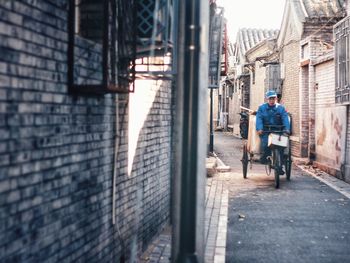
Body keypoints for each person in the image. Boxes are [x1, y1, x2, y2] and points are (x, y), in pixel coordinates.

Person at [256, 90, 290, 164]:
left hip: (278, 130)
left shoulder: (281, 108)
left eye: (273, 98)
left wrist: (286, 129)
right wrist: (259, 128)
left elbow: (285, 118)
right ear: (267, 99)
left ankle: (280, 164)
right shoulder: (262, 108)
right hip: (266, 130)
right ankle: (265, 157)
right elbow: (259, 118)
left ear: (276, 99)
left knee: (281, 146)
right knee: (265, 145)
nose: (272, 100)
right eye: (270, 98)